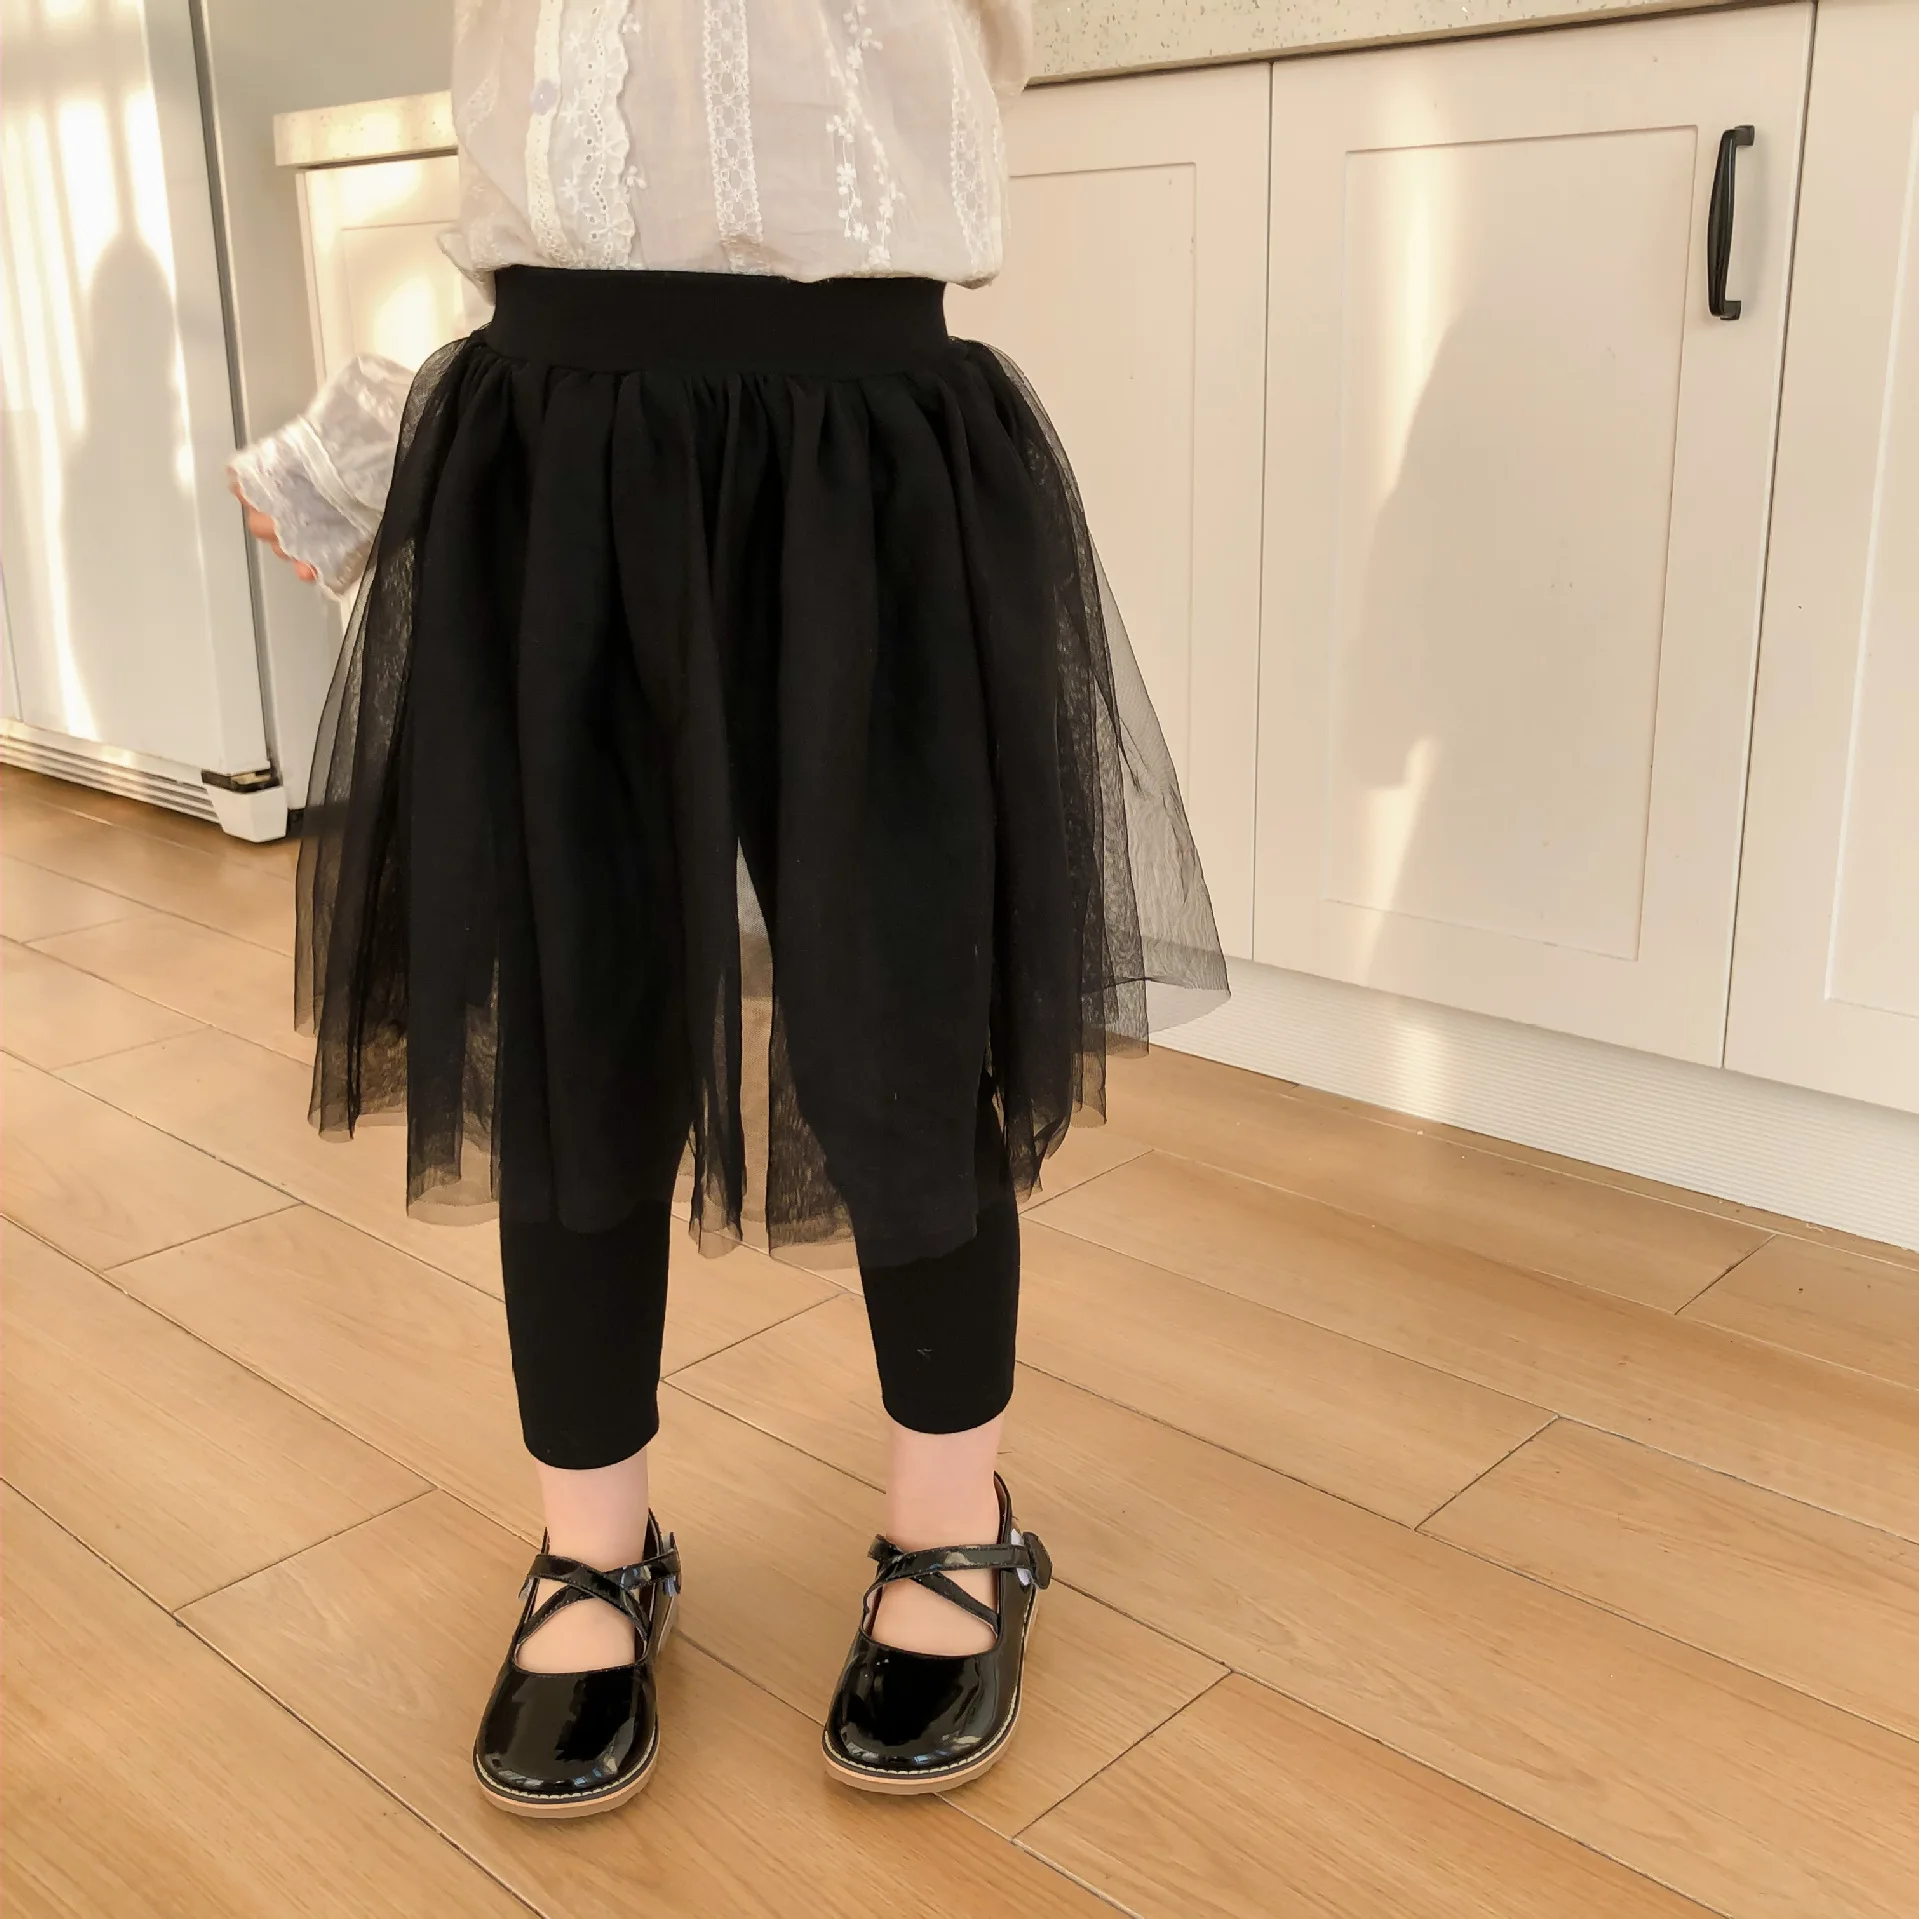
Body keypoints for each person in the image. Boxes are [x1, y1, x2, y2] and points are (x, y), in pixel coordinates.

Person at [232, 0, 1225, 1820]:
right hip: (557, 434)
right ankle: (591, 1544)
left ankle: (956, 1517)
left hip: (863, 440)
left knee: (901, 1001)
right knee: (576, 1006)